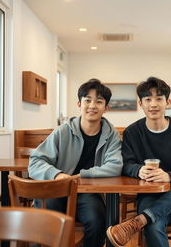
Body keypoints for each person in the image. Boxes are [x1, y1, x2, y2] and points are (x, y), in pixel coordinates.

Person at [107, 77, 171, 247]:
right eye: (147, 99)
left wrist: (169, 176)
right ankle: (148, 217)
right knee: (152, 227)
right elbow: (125, 164)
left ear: (167, 102)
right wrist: (138, 170)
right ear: (141, 103)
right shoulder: (132, 133)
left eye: (159, 99)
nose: (153, 104)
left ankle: (142, 218)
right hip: (151, 197)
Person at [28, 79, 123, 247]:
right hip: (57, 189)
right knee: (44, 223)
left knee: (98, 221)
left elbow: (115, 166)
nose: (92, 105)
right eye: (87, 100)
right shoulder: (62, 131)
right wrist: (57, 175)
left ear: (106, 108)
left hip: (88, 193)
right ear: (79, 104)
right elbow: (35, 161)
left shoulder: (112, 135)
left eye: (99, 101)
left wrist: (81, 175)